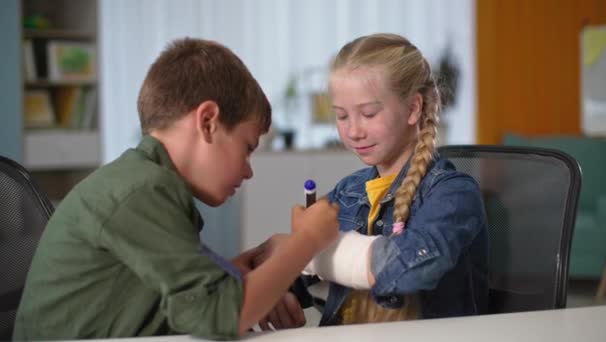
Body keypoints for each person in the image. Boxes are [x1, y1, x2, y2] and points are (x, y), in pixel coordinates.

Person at [13, 37, 339, 340]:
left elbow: (181, 299)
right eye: (247, 147)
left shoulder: (146, 181)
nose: (248, 170)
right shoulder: (141, 190)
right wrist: (307, 241)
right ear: (208, 121)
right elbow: (217, 314)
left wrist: (249, 277)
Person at [296, 33, 488, 325]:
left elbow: (409, 265)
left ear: (413, 109)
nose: (353, 131)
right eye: (342, 116)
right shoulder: (349, 192)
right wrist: (285, 287)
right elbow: (302, 263)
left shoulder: (454, 194)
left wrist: (316, 252)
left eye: (369, 113)